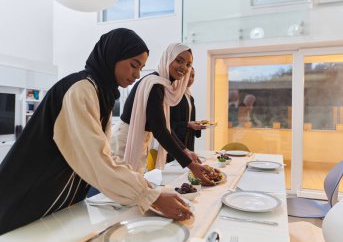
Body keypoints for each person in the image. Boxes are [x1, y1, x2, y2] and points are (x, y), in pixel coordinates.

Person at [0, 28, 192, 235]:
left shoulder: (101, 93)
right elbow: (96, 158)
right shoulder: (81, 89)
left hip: (52, 198)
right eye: (133, 65)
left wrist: (148, 190)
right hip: (27, 195)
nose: (137, 75)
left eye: (141, 68)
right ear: (113, 56)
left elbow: (104, 153)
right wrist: (148, 195)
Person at [110, 43, 214, 185]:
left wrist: (185, 151)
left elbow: (164, 126)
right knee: (121, 187)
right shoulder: (155, 85)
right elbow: (160, 130)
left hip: (139, 137)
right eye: (179, 61)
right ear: (167, 58)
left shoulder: (163, 85)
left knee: (131, 186)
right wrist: (189, 164)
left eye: (188, 64)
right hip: (126, 138)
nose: (183, 67)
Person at [167, 67, 206, 162]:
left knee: (189, 168)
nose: (191, 79)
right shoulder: (173, 95)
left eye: (193, 76)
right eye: (188, 75)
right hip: (176, 140)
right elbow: (168, 123)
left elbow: (190, 119)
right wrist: (188, 124)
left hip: (189, 139)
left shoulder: (190, 97)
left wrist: (197, 125)